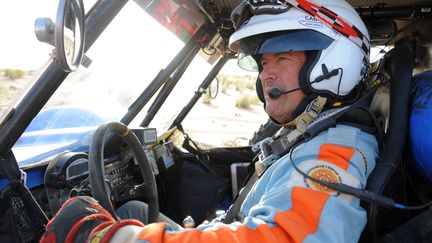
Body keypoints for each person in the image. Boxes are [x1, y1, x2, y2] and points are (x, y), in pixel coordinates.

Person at [41, 0, 379, 242]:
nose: (266, 74)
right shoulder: (311, 134)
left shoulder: (337, 151)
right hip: (234, 225)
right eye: (263, 62)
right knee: (134, 208)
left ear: (333, 63)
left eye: (283, 57)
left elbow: (284, 237)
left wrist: (114, 238)